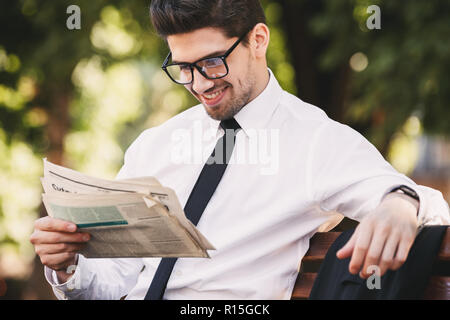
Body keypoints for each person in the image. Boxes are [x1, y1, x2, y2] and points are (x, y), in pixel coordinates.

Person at [30, 0, 449, 300]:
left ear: (258, 40)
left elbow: (421, 201)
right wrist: (68, 265)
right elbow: (114, 282)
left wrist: (398, 206)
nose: (198, 84)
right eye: (184, 68)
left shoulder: (314, 139)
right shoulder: (155, 145)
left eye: (212, 62)